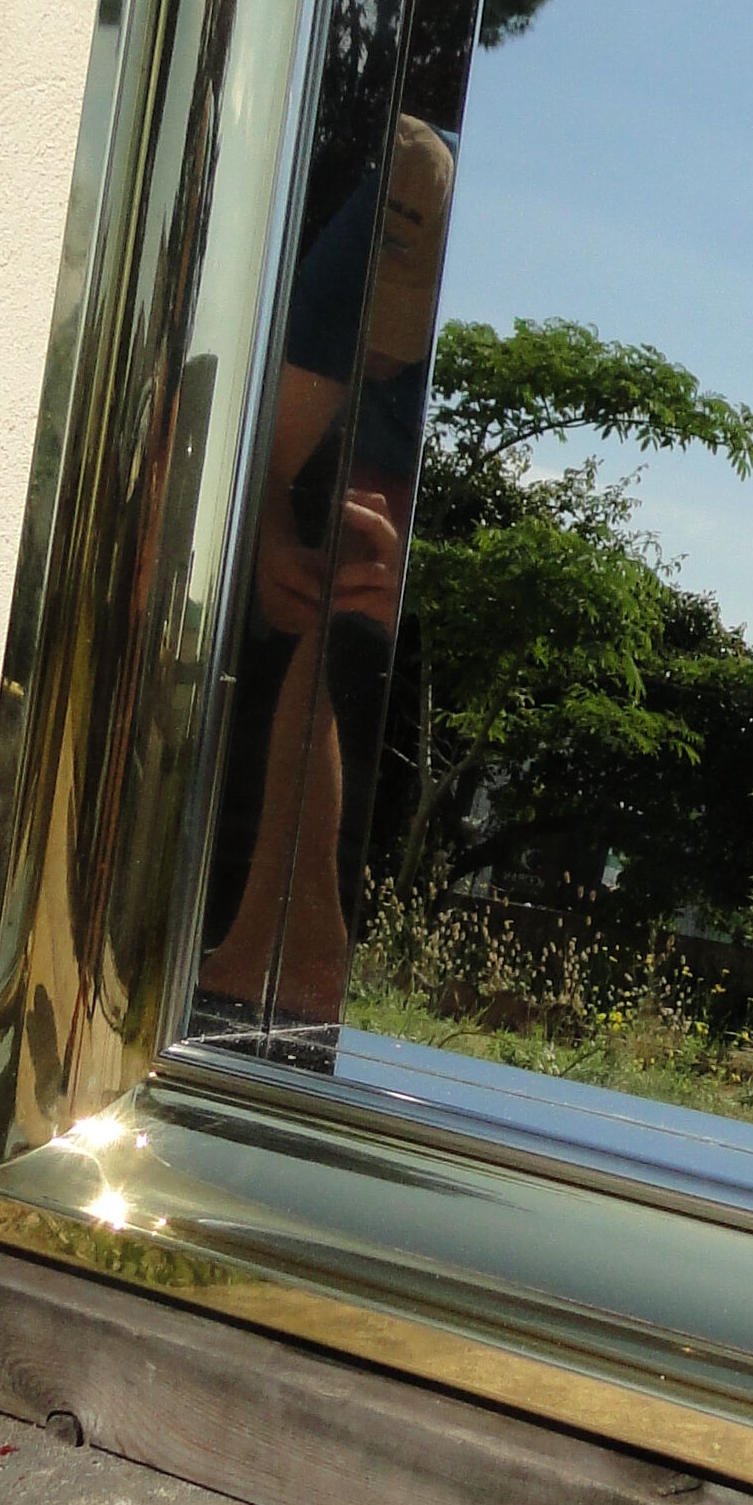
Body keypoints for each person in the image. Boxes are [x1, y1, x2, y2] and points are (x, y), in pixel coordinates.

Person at [198, 116, 454, 1020]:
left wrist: (409, 578)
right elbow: (265, 462)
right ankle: (278, 938)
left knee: (362, 594)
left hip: (435, 458)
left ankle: (308, 947)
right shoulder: (370, 233)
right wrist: (270, 543)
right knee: (331, 577)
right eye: (371, 325)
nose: (380, 352)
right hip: (344, 441)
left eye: (402, 328)